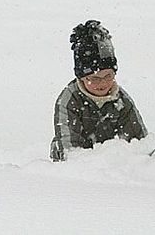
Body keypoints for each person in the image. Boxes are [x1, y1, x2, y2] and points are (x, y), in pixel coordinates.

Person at [50, 20, 148, 161]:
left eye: (108, 76)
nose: (102, 83)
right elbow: (69, 150)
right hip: (76, 167)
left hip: (114, 165)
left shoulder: (121, 101)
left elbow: (140, 143)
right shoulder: (69, 100)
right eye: (95, 79)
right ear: (81, 77)